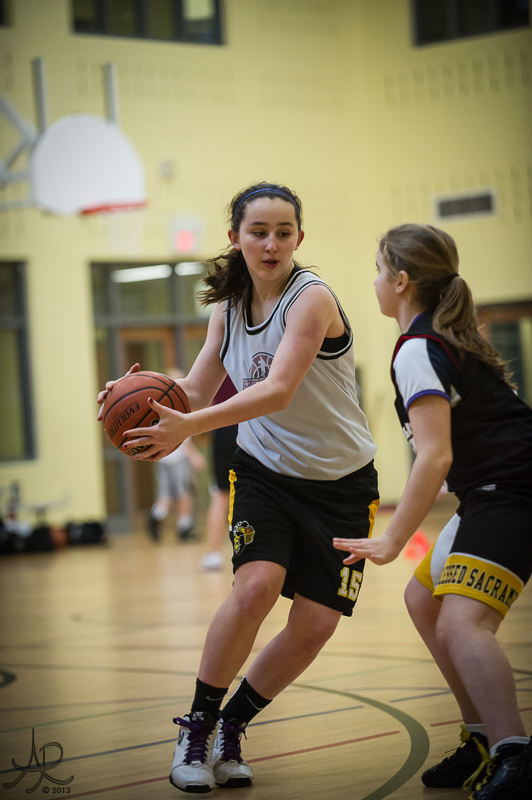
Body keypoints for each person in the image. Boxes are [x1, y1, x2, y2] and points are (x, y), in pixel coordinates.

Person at [97, 182, 379, 794]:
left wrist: (189, 425)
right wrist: (137, 396)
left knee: (315, 626)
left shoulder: (311, 299)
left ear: (299, 238)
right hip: (264, 470)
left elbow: (277, 390)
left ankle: (234, 724)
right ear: (236, 238)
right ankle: (197, 728)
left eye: (283, 233)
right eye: (259, 232)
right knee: (255, 587)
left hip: (342, 484)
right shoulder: (228, 307)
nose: (271, 244)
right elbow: (196, 391)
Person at [333, 223, 532, 800]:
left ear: (401, 281)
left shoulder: (419, 349)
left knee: (462, 623)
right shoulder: (439, 339)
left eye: (378, 270)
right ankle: (481, 737)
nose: (374, 281)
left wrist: (394, 537)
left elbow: (435, 456)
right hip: (490, 492)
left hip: (513, 490)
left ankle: (514, 753)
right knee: (424, 600)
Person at [148, 369, 206, 542]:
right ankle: (184, 528)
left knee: (165, 494)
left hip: (162, 456)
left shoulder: (157, 406)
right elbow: (183, 438)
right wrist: (194, 456)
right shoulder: (178, 406)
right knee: (184, 494)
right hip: (177, 456)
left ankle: (155, 515)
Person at [200, 376, 238, 570]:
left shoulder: (219, 362)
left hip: (223, 428)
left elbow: (204, 401)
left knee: (220, 494)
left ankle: (214, 554)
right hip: (252, 424)